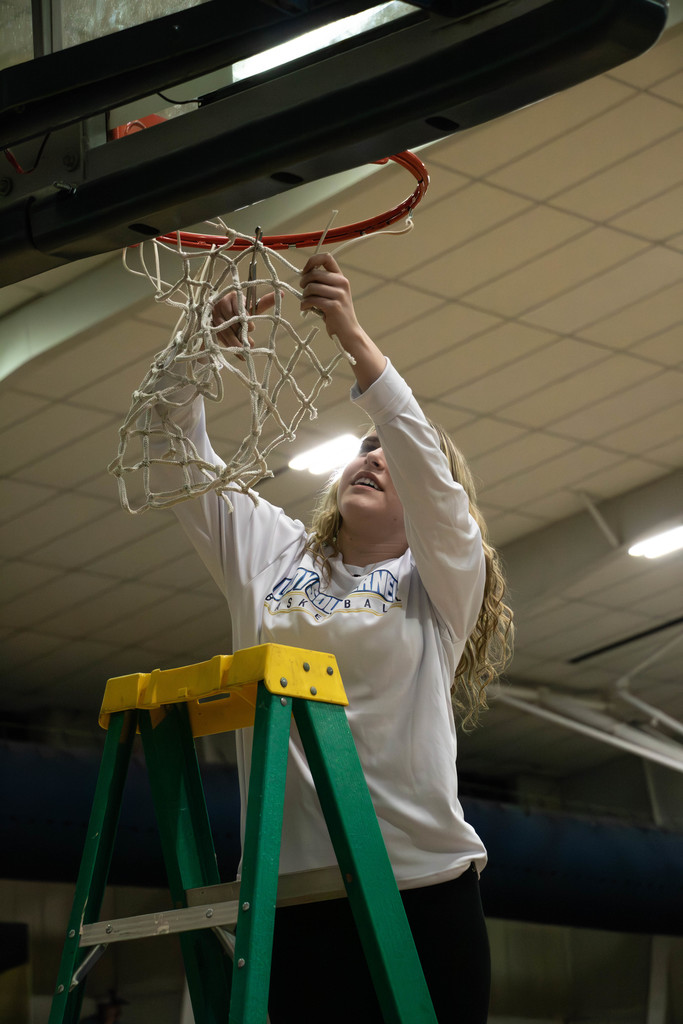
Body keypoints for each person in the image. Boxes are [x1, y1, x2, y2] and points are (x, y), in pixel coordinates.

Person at [157, 253, 513, 1022]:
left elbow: (424, 464)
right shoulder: (270, 555)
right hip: (290, 896)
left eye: (386, 452)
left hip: (417, 887)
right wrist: (200, 352)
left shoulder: (441, 576)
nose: (372, 456)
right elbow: (174, 457)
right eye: (362, 448)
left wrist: (352, 336)